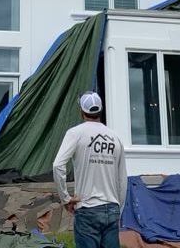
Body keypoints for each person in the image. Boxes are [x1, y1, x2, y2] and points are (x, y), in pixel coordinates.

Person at [53, 92, 127, 248]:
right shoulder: (115, 138)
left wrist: (65, 198)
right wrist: (118, 208)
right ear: (101, 110)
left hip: (87, 209)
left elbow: (58, 165)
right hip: (112, 208)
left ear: (82, 111)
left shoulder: (76, 133)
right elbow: (122, 179)